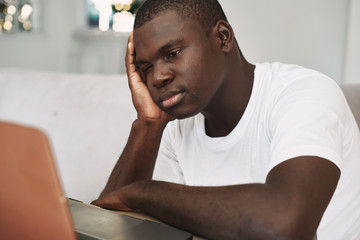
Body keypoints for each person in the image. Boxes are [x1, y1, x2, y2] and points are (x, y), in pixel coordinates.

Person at [92, 0, 360, 239]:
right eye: (146, 68)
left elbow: (286, 225)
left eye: (173, 53)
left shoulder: (304, 93)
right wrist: (149, 124)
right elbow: (106, 226)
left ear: (222, 37)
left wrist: (141, 193)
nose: (158, 77)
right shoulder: (175, 130)